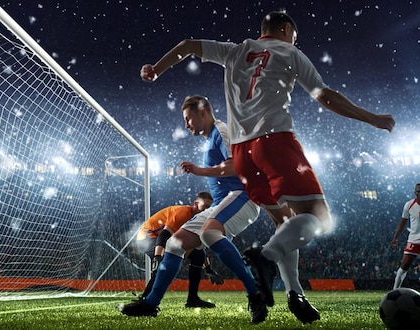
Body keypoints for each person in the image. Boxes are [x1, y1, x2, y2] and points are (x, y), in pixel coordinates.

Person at [138, 11, 395, 324]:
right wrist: (373, 118)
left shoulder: (234, 50)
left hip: (244, 154)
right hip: (274, 143)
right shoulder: (289, 51)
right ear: (286, 30)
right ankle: (266, 257)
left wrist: (156, 69)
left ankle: (294, 293)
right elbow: (325, 97)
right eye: (293, 36)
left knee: (283, 221)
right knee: (319, 218)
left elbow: (189, 45)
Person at [120, 95, 268, 323]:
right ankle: (150, 304)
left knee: (209, 234)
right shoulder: (211, 139)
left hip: (242, 197)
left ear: (203, 112)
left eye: (189, 119)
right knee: (175, 243)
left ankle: (254, 292)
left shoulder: (222, 131)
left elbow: (236, 165)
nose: (186, 125)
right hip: (222, 204)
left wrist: (199, 171)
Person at [135, 191, 218, 308]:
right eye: (205, 207)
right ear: (195, 203)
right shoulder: (182, 213)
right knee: (162, 265)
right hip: (147, 236)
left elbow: (198, 246)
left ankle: (192, 299)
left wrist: (208, 269)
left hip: (161, 238)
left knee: (198, 254)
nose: (206, 211)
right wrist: (158, 258)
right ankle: (145, 300)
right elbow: (163, 235)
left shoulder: (199, 220)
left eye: (209, 208)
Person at [391, 183, 420, 289]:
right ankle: (395, 290)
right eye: (418, 191)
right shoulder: (409, 205)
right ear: (415, 192)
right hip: (413, 239)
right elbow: (403, 222)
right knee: (404, 265)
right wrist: (395, 238)